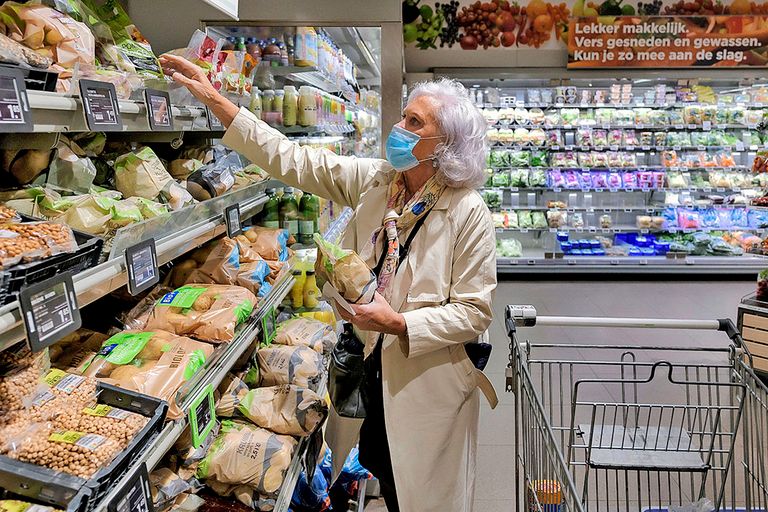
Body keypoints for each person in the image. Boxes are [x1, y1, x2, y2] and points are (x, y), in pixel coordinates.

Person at [160, 54, 498, 512]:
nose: (397, 127)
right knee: (380, 459)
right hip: (372, 371)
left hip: (426, 382)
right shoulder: (380, 182)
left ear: (444, 144)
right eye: (403, 115)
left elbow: (474, 312)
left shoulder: (467, 211)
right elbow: (293, 159)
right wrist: (214, 99)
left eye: (413, 122)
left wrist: (398, 323)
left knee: (420, 491)